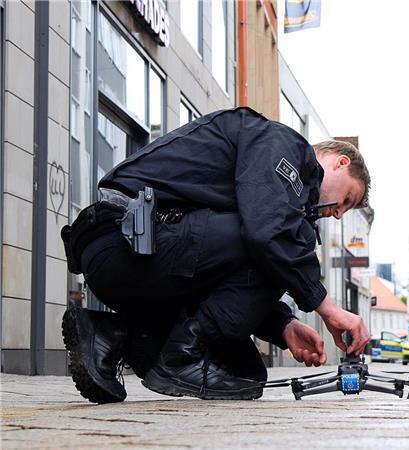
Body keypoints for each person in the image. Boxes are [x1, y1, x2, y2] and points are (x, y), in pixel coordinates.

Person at [61, 107, 371, 403]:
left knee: (244, 374)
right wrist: (329, 309)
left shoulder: (279, 192)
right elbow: (264, 236)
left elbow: (230, 271)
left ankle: (108, 336)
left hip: (144, 260)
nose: (338, 214)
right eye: (346, 200)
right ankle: (180, 355)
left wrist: (283, 326)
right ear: (340, 163)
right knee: (286, 238)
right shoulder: (282, 143)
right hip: (120, 241)